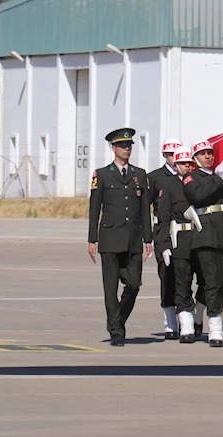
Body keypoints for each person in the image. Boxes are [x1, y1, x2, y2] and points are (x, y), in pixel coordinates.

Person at [88, 128, 153, 347]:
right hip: (110, 238)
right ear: (113, 148)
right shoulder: (102, 174)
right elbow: (94, 209)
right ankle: (116, 331)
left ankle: (118, 321)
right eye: (123, 145)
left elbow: (145, 208)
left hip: (134, 238)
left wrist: (148, 239)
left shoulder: (140, 174)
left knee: (134, 285)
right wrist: (92, 239)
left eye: (129, 145)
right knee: (110, 289)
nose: (127, 149)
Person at [182, 139, 223, 347]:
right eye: (203, 154)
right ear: (195, 158)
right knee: (212, 282)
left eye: (210, 153)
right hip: (206, 233)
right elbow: (199, 196)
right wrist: (219, 178)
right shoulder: (191, 177)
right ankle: (215, 326)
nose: (208, 157)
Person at [157, 145, 206, 343]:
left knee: (207, 281)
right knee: (182, 283)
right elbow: (163, 218)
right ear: (175, 165)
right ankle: (185, 325)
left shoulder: (201, 182)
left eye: (189, 163)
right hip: (180, 241)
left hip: (202, 239)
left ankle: (199, 314)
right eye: (182, 163)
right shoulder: (169, 187)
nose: (186, 166)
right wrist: (164, 245)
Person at [147, 136, 182, 340]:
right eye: (169, 154)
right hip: (163, 231)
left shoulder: (188, 173)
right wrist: (148, 238)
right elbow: (146, 208)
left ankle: (190, 317)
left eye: (175, 153)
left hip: (186, 231)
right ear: (164, 155)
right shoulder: (155, 178)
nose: (173, 158)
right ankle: (170, 322)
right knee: (167, 276)